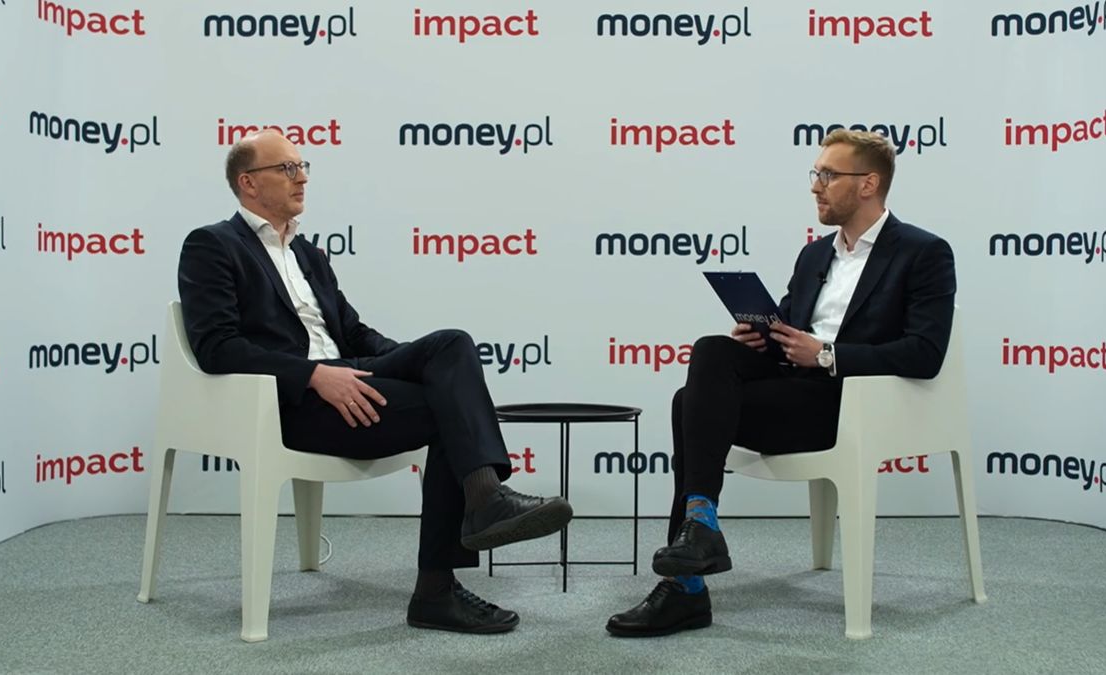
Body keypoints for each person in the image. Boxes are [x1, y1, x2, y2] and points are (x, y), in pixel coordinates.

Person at [177, 130, 572, 634]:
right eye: (287, 168)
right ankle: (445, 573)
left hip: (348, 376)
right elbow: (217, 346)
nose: (302, 178)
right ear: (248, 183)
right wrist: (314, 375)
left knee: (450, 348)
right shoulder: (212, 244)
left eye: (303, 166)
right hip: (289, 404)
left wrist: (416, 362)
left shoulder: (308, 254)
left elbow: (353, 332)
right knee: (446, 414)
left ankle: (481, 506)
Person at [606, 129, 957, 637]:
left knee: (689, 405)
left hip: (848, 407)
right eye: (816, 174)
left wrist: (828, 355)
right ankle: (700, 527)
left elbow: (925, 353)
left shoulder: (923, 252)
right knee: (711, 355)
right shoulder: (814, 256)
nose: (815, 186)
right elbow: (792, 336)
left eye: (828, 175)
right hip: (794, 392)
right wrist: (763, 338)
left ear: (868, 184)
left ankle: (687, 587)